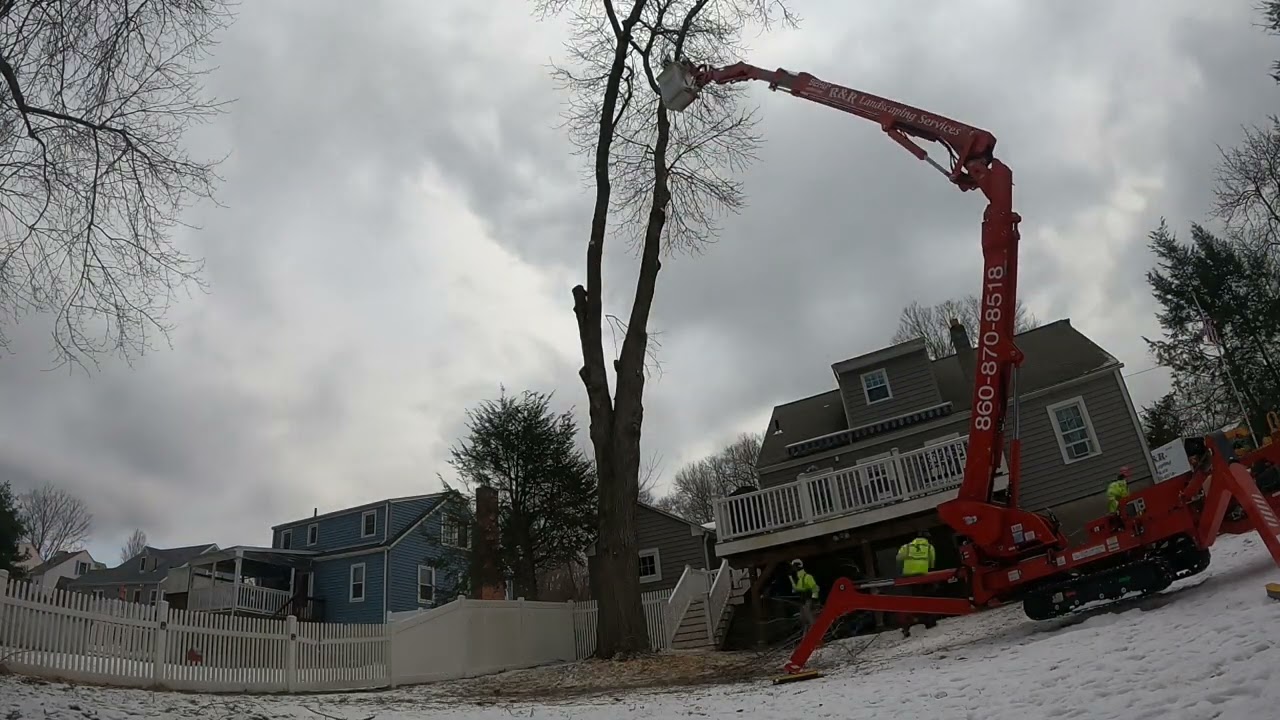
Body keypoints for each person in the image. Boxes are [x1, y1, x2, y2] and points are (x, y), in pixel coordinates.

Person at [896, 530, 938, 637]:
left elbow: (899, 559)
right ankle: (929, 621)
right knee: (927, 598)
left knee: (915, 598)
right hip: (923, 576)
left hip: (910, 577)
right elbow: (932, 563)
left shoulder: (907, 547)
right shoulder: (929, 547)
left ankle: (913, 620)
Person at [789, 558, 820, 632]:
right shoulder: (799, 578)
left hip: (809, 599)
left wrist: (814, 600)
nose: (793, 569)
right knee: (802, 618)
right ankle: (806, 635)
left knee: (808, 613)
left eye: (794, 566)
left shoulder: (808, 577)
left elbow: (814, 588)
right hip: (803, 600)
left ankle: (815, 630)